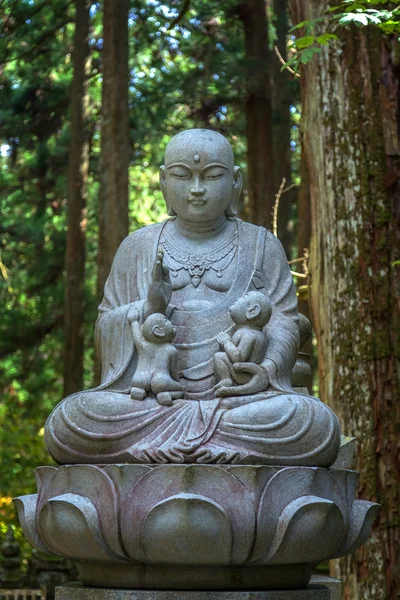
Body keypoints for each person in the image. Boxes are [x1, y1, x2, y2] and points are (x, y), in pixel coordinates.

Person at [45, 129, 340, 466]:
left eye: (212, 176)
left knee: (313, 423)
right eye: (183, 176)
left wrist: (267, 370)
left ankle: (172, 447)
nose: (197, 189)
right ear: (163, 182)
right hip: (154, 405)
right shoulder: (138, 247)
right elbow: (107, 326)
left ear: (235, 182)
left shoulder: (262, 246)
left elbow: (285, 323)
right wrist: (148, 307)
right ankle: (209, 447)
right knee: (69, 420)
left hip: (238, 403)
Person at [214, 291, 272, 395]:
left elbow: (238, 357)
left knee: (218, 356)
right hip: (240, 371)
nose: (237, 299)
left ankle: (226, 380)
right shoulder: (246, 332)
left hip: (244, 375)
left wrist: (226, 342)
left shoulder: (250, 334)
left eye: (244, 297)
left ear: (253, 311)